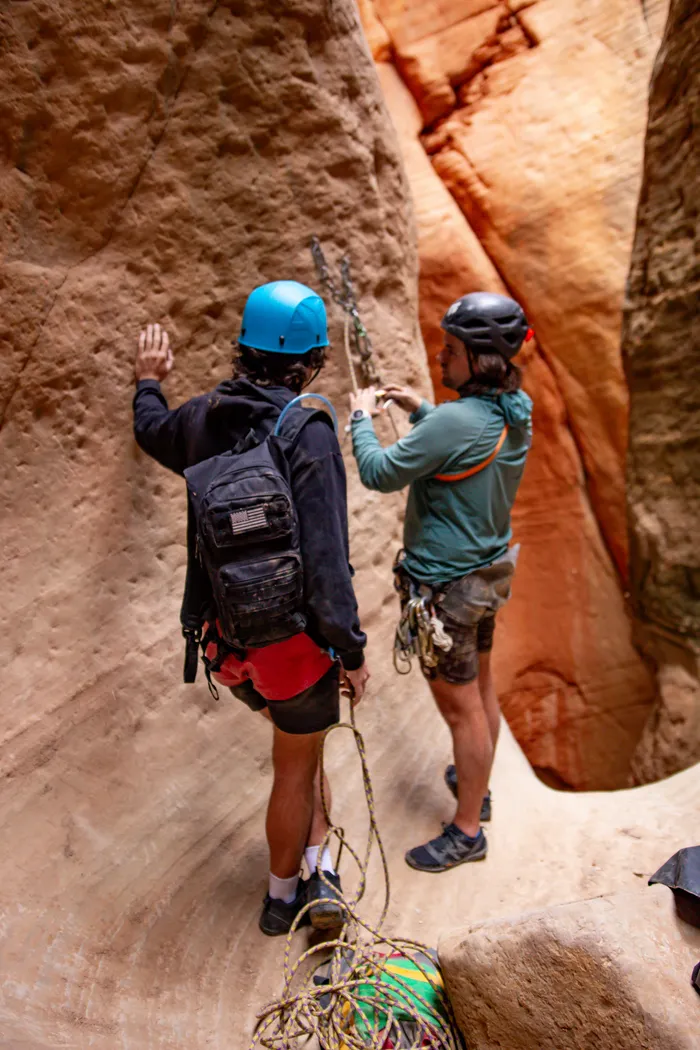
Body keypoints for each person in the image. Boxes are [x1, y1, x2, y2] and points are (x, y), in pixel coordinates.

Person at [132, 280, 370, 934]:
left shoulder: (202, 417)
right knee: (295, 764)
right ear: (311, 361)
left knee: (301, 743)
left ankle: (321, 866)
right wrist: (351, 651)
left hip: (225, 642)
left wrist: (149, 380)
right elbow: (327, 558)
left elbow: (152, 430)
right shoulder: (307, 428)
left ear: (245, 348)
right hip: (292, 648)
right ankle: (282, 897)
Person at [348, 292, 532, 872]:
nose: (440, 355)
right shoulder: (514, 408)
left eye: (450, 349)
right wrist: (422, 410)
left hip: (447, 592)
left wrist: (359, 416)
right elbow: (465, 441)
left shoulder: (457, 421)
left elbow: (379, 472)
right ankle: (479, 786)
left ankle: (467, 830)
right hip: (486, 577)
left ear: (479, 359)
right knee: (481, 691)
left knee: (461, 713)